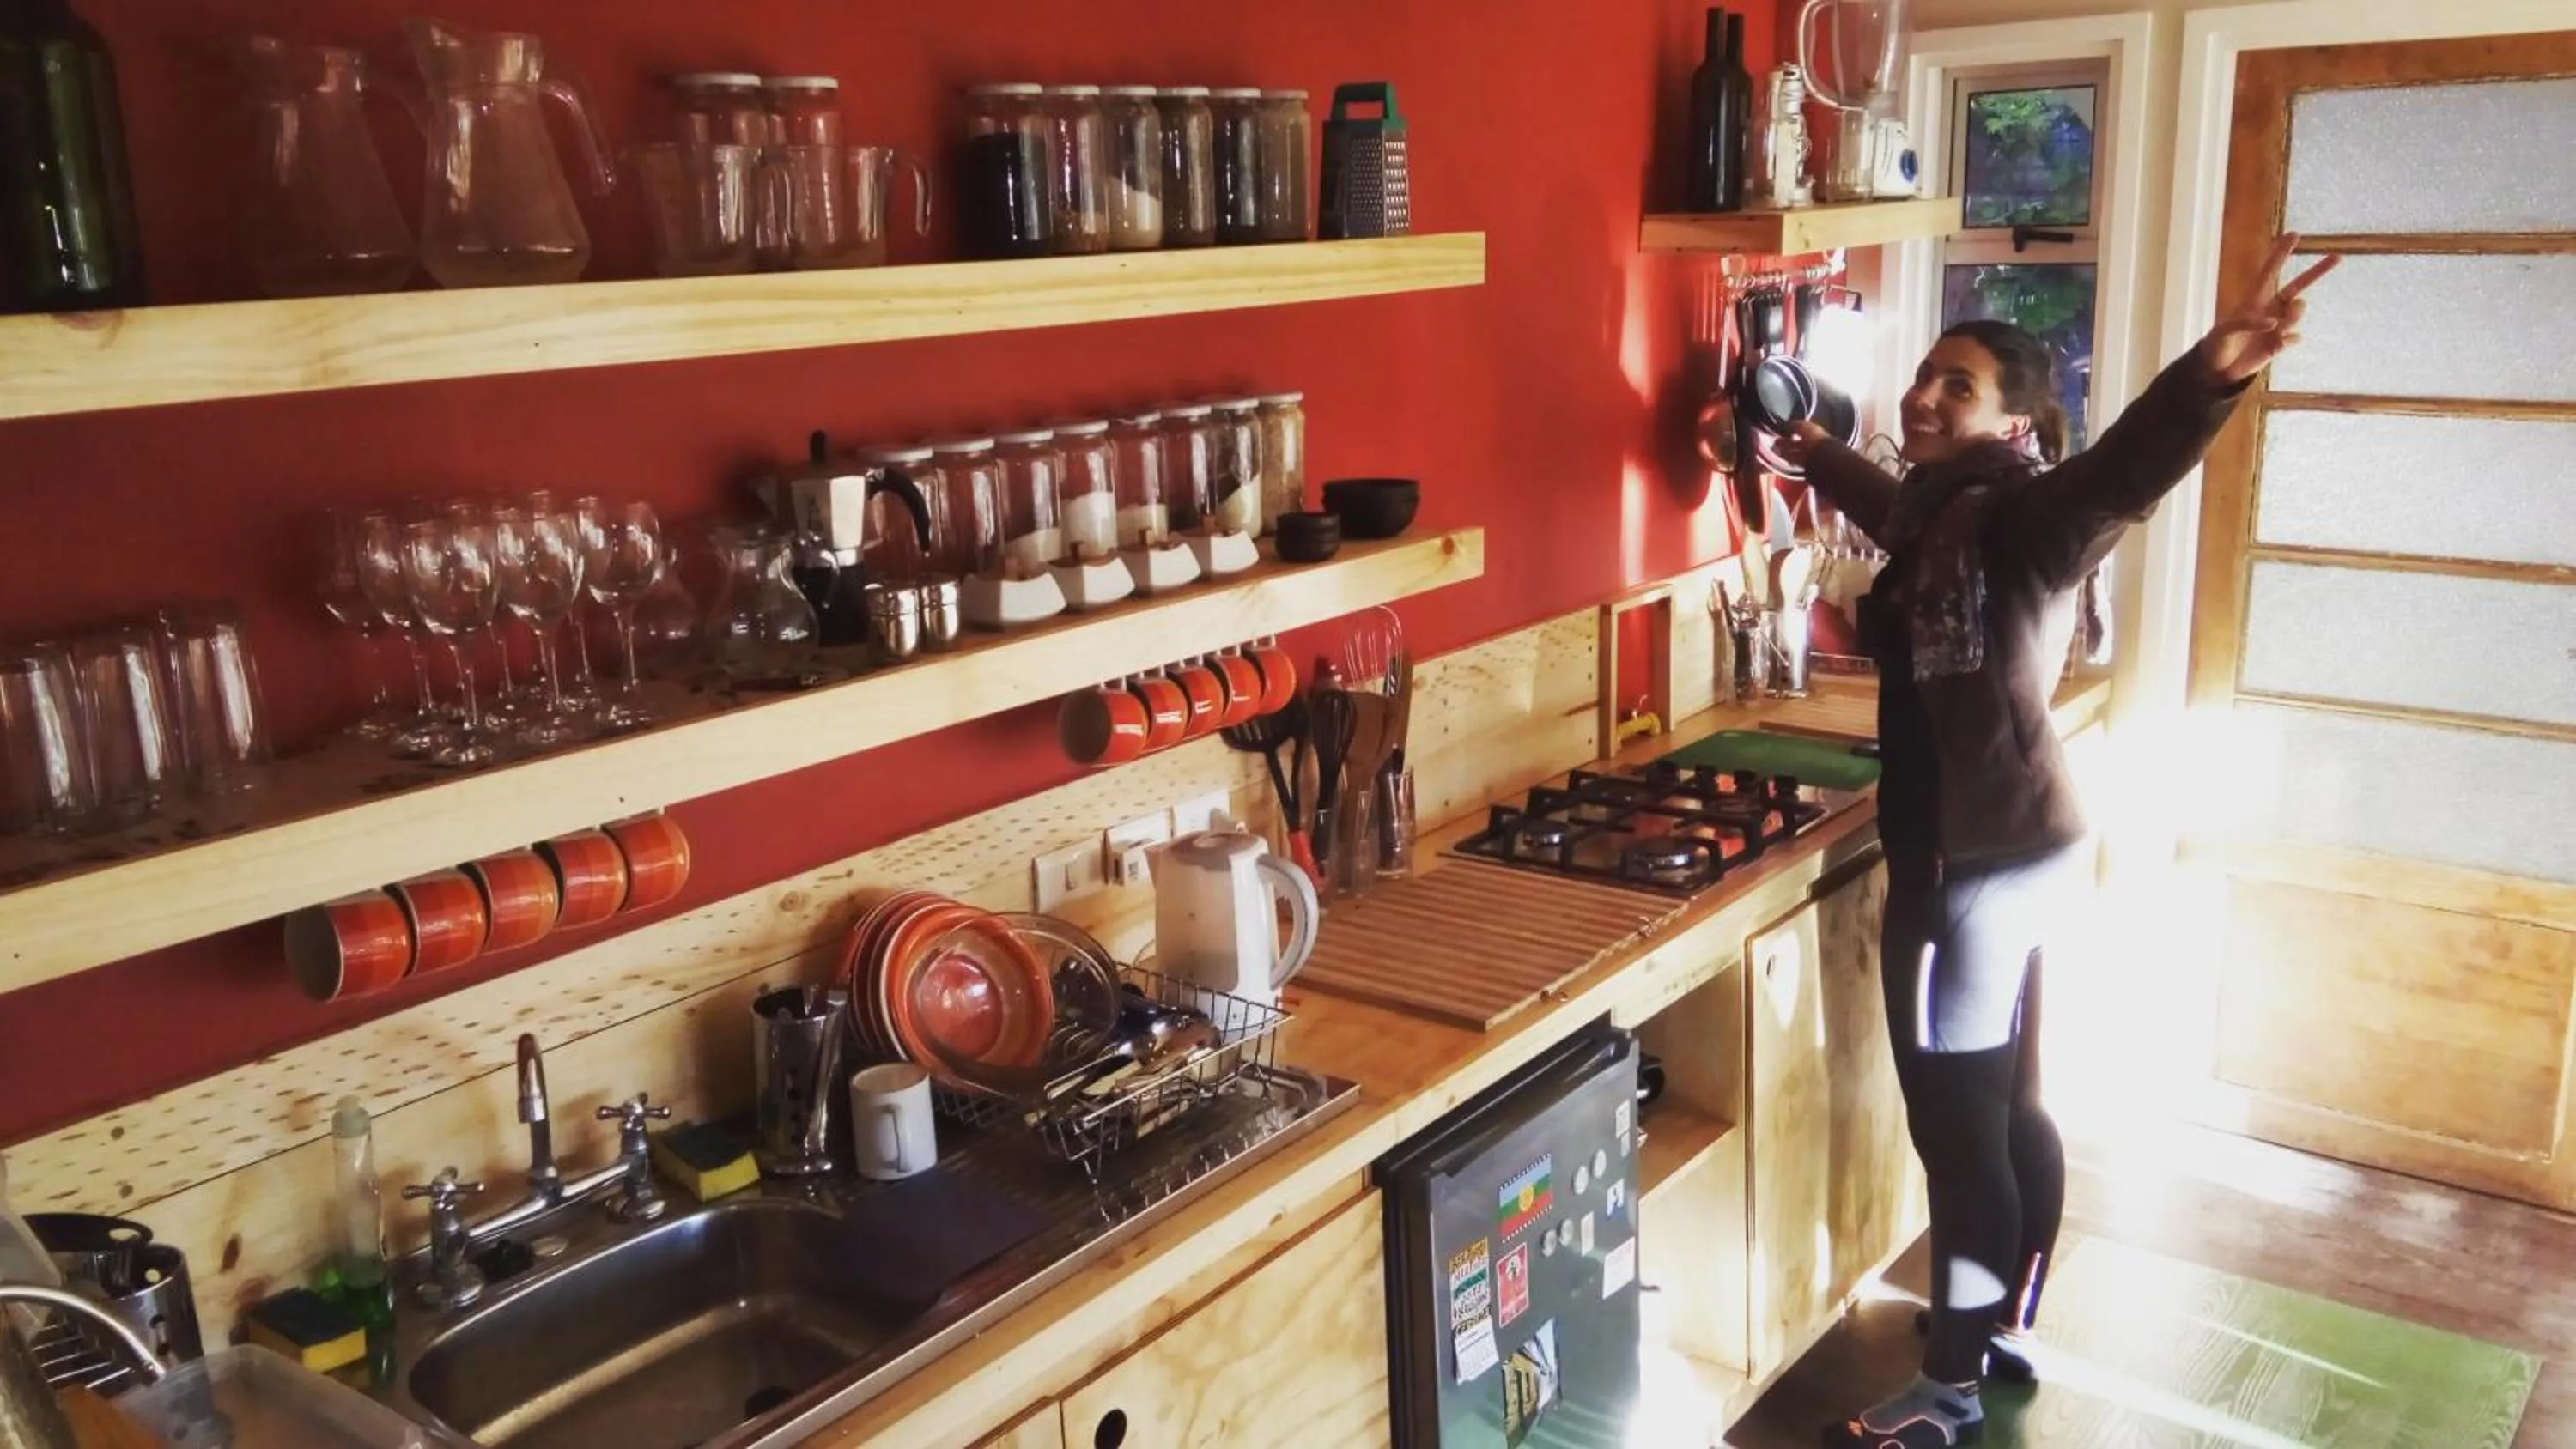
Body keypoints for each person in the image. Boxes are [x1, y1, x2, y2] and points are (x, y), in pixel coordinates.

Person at [1782, 234, 2339, 1449]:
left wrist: (2211, 373)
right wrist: (1811, 447)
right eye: (1924, 374)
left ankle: (1949, 1385)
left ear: (2017, 424)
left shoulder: (2031, 514)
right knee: (2015, 1102)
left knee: (1955, 1128)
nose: (1925, 397)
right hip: (2027, 847)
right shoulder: (1953, 510)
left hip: (1965, 869)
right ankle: (2009, 1325)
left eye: (1958, 388)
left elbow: (2124, 476)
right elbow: (1897, 511)